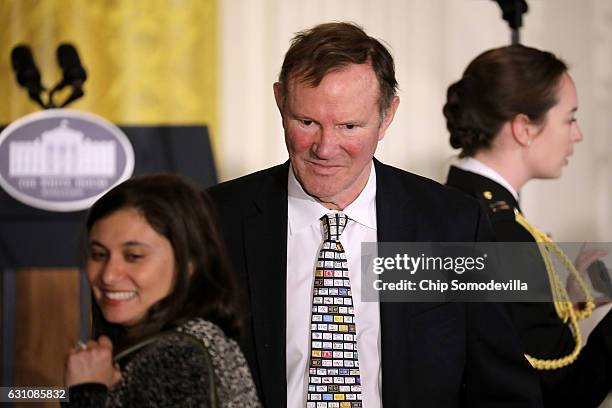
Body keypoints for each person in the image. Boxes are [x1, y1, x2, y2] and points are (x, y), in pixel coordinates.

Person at [207, 22, 543, 407]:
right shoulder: (215, 221)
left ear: (387, 116)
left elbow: (502, 390)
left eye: (349, 126)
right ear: (280, 101)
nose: (325, 147)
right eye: (307, 122)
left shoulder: (452, 224)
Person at [444, 44, 612, 407]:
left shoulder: (457, 202)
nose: (577, 135)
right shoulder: (505, 236)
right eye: (569, 118)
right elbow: (562, 395)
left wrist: (565, 294)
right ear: (523, 128)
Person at [63, 174, 261, 407]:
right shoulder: (182, 342)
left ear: (189, 262)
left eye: (134, 256)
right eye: (99, 254)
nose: (108, 275)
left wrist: (85, 392)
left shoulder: (179, 357)